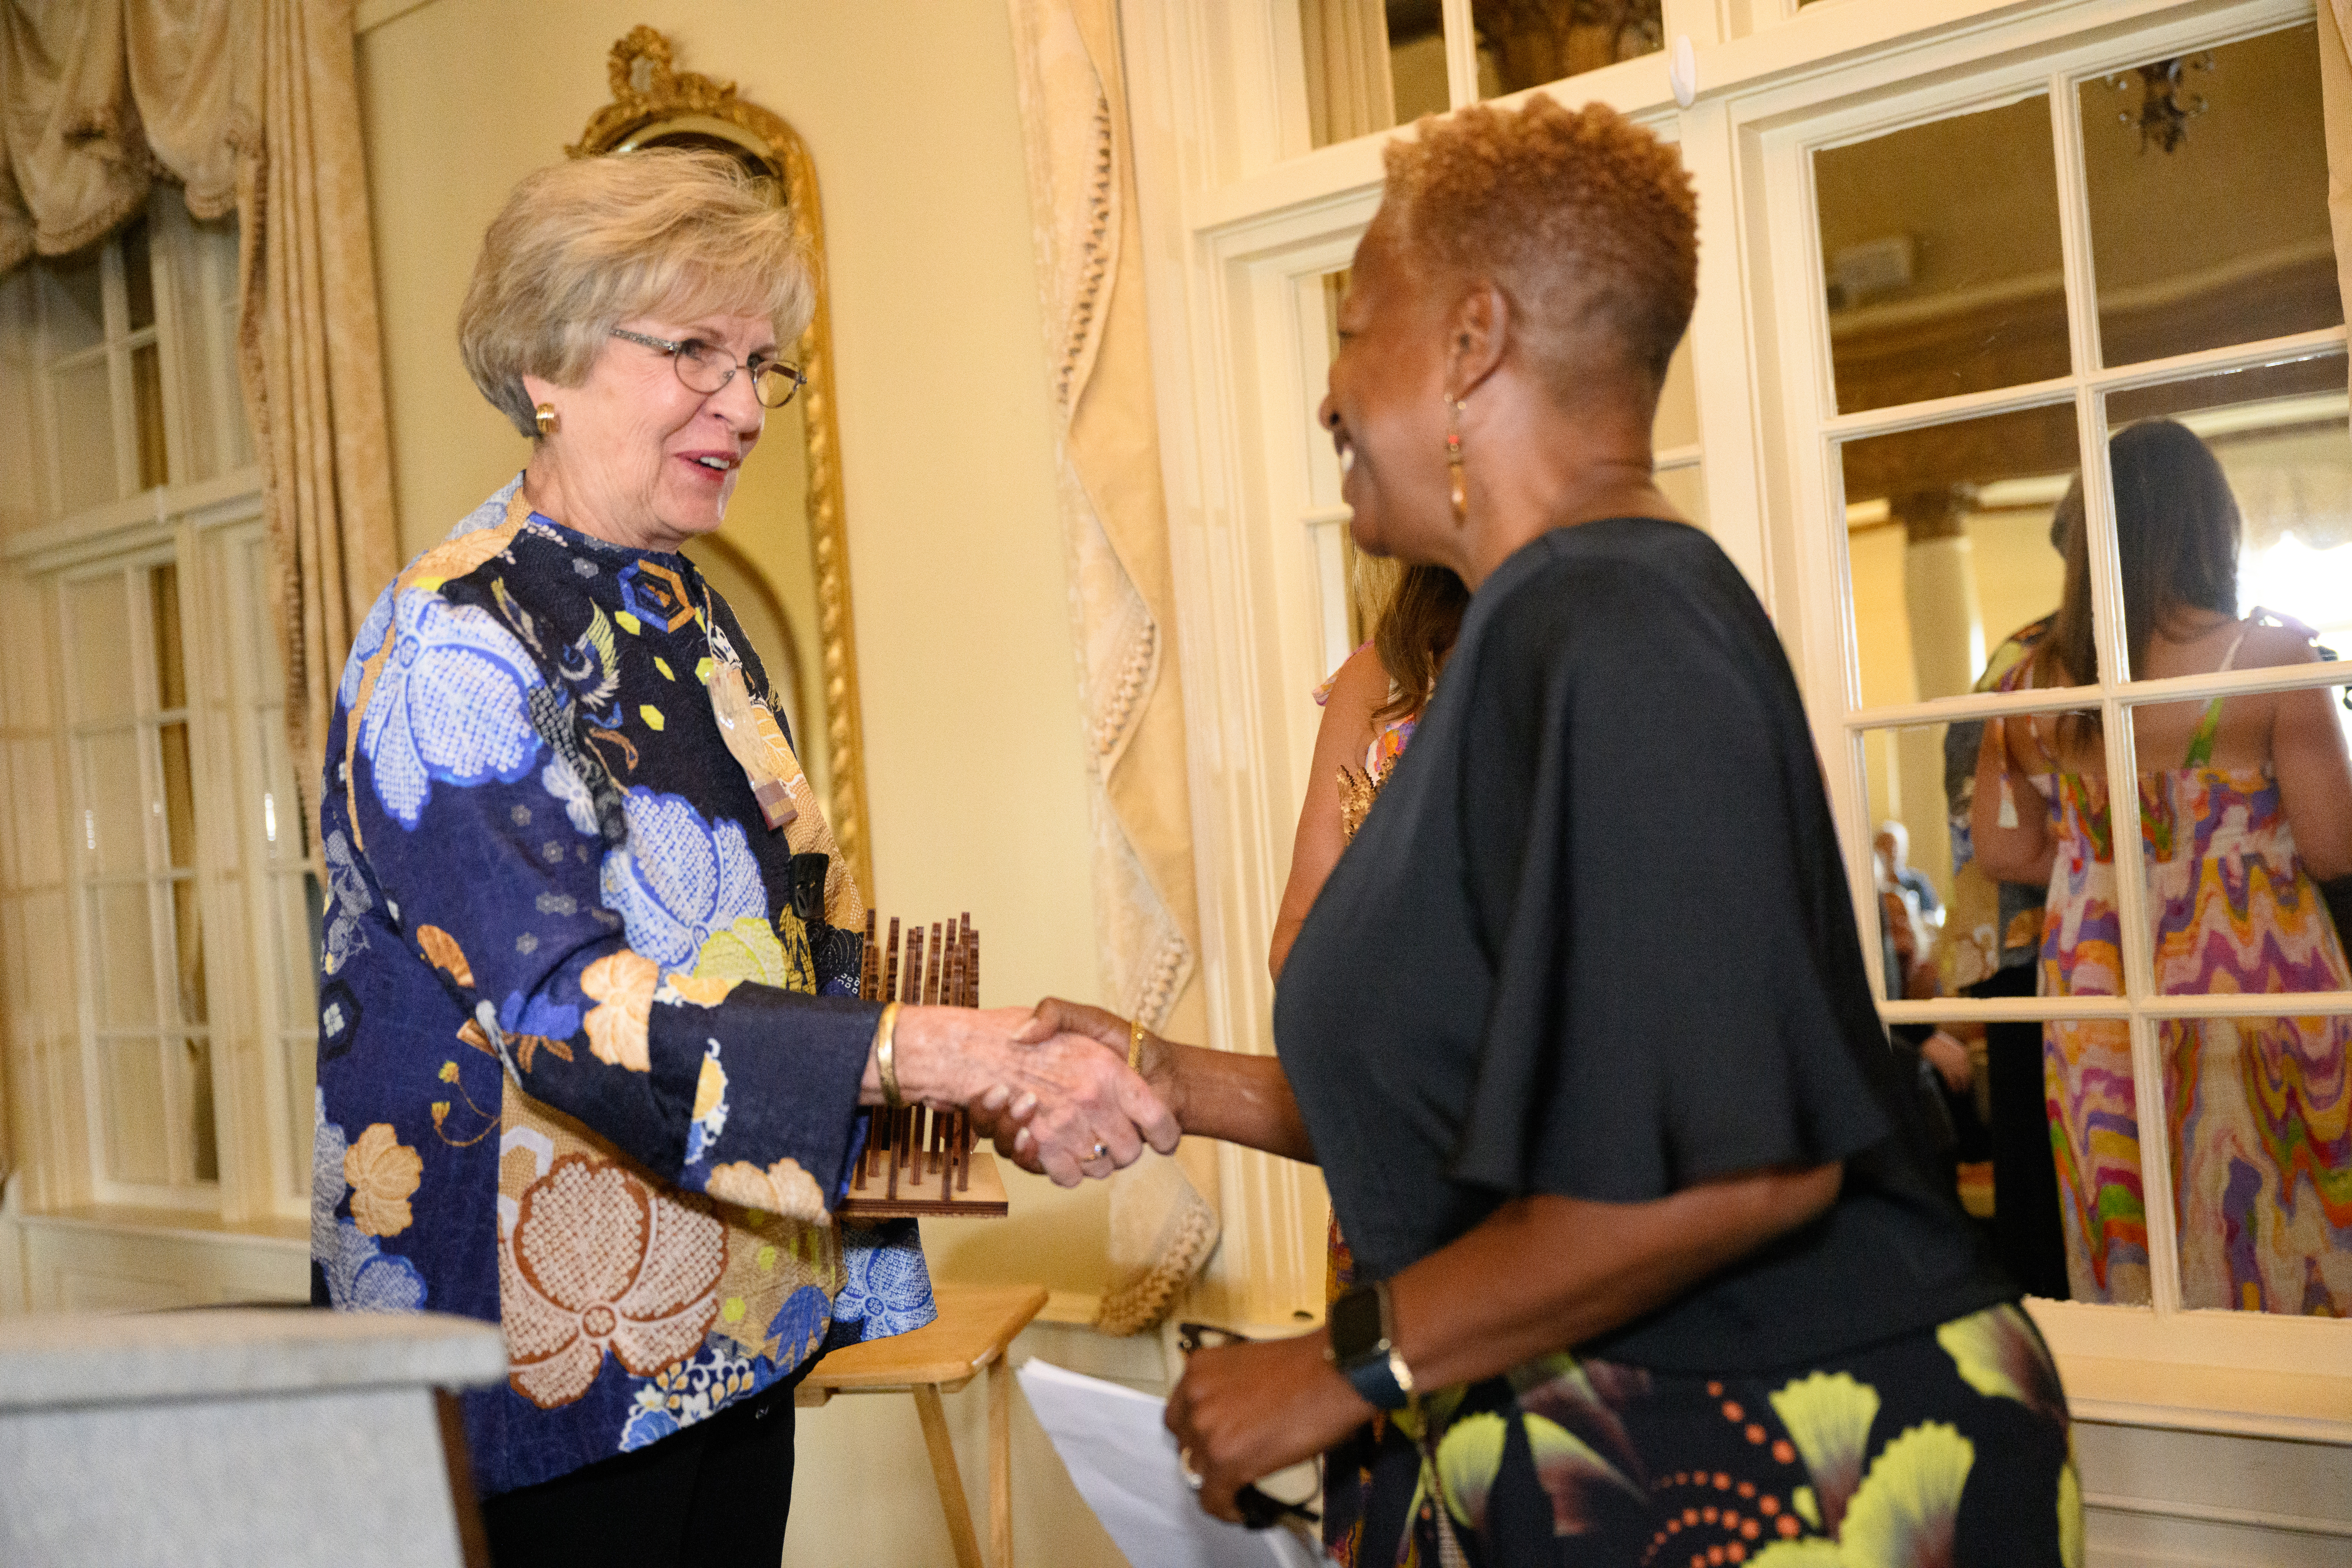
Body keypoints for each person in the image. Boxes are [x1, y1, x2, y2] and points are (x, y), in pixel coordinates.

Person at [995, 98, 2072, 1565]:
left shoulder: (1619, 617)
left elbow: (1731, 1162)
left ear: (1470, 342)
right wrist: (1169, 1075)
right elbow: (1515, 1117)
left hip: (1784, 1454)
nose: (1327, 395)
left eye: (1354, 326)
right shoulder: (1529, 636)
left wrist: (1341, 1365)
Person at [312, 148, 1176, 1567]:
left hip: (726, 1329)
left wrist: (962, 1099)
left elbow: (793, 948)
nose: (740, 403)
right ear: (547, 355)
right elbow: (561, 1007)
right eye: (695, 350)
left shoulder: (684, 611)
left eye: (760, 361)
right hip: (549, 1373)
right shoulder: (452, 644)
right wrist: (956, 1055)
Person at [1972, 420, 2352, 1313]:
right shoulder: (2268, 657)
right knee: (2287, 1209)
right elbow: (2335, 844)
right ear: (2209, 526)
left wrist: (2101, 855)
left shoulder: (2029, 686)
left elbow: (2003, 849)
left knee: (2131, 1219)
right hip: (2260, 980)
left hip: (2097, 979)